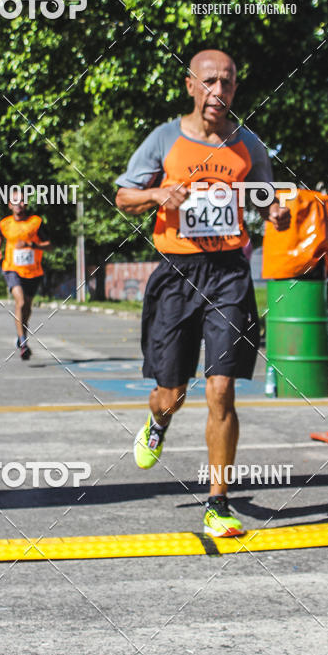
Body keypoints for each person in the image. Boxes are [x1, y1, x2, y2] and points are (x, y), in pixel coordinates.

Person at [115, 49, 290, 537]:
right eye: (209, 82)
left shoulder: (248, 145)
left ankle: (218, 502)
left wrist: (273, 211)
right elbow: (123, 195)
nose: (219, 92)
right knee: (170, 394)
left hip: (230, 272)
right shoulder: (164, 139)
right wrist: (155, 195)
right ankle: (158, 423)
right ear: (191, 85)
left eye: (228, 83)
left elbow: (263, 196)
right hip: (177, 273)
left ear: (236, 88)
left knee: (221, 388)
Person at [0, 196, 50, 360]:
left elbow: (50, 245)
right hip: (12, 269)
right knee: (21, 302)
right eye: (15, 201)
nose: (19, 204)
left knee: (27, 307)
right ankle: (23, 342)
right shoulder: (5, 223)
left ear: (26, 204)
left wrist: (32, 245)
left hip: (33, 271)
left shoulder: (35, 223)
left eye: (22, 201)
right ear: (10, 205)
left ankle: (21, 334)